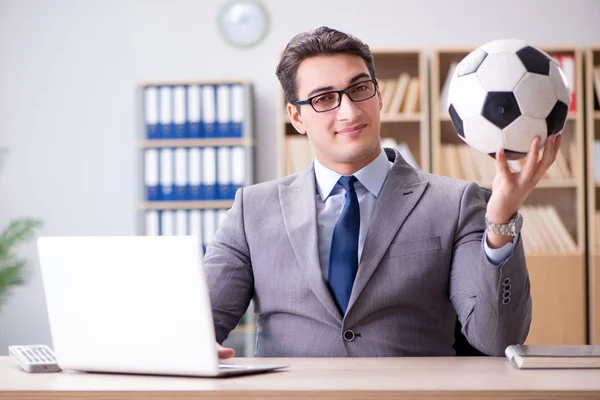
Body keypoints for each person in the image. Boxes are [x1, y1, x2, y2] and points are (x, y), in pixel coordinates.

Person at [206, 26, 561, 358]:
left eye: (359, 89)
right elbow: (202, 322)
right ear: (296, 117)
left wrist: (500, 221)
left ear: (378, 96)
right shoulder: (251, 210)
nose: (349, 110)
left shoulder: (455, 201)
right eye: (324, 98)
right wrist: (197, 344)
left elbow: (498, 338)